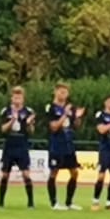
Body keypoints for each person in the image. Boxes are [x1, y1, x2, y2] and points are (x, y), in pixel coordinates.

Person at [45, 83, 85, 211]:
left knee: (74, 172)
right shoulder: (51, 108)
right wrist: (65, 114)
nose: (63, 94)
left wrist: (78, 118)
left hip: (69, 145)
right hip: (56, 145)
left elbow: (76, 126)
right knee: (54, 172)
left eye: (65, 92)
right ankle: (54, 203)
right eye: (61, 91)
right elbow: (54, 127)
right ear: (55, 92)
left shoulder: (71, 108)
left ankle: (69, 202)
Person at [0, 87, 36, 209]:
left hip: (22, 146)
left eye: (19, 97)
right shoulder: (6, 111)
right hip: (9, 146)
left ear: (23, 99)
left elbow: (32, 132)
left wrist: (29, 124)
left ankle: (30, 203)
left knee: (26, 175)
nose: (17, 99)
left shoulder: (29, 112)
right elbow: (2, 129)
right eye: (15, 97)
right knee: (5, 175)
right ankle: (1, 202)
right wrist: (12, 120)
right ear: (11, 98)